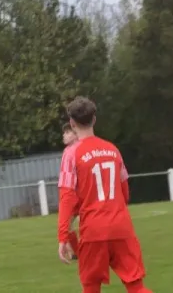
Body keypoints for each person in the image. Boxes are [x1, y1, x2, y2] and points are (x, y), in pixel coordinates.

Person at [58, 97, 152, 293]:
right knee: (136, 286)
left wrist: (63, 236)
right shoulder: (113, 150)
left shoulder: (71, 154)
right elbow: (124, 191)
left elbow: (66, 196)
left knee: (91, 287)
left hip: (93, 230)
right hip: (121, 227)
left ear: (72, 124)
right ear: (94, 120)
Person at [60, 123, 80, 260]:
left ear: (76, 133)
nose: (64, 135)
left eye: (68, 132)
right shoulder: (68, 150)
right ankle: (77, 252)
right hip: (68, 190)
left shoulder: (78, 149)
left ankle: (78, 252)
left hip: (74, 192)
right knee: (68, 225)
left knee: (66, 224)